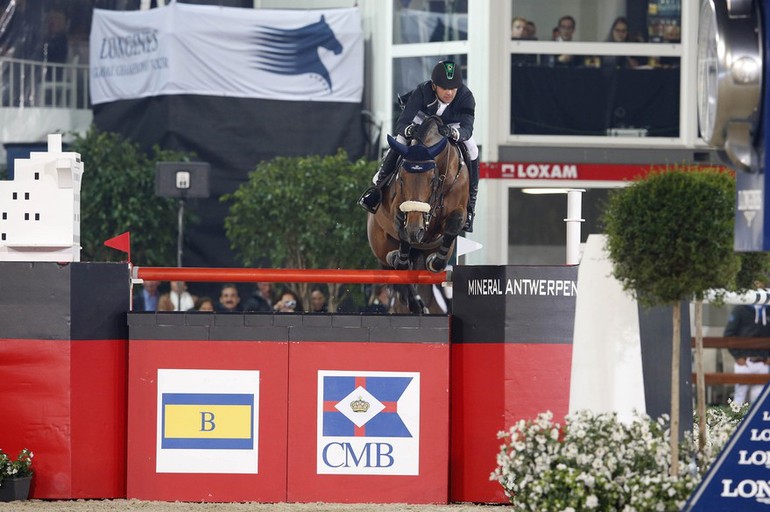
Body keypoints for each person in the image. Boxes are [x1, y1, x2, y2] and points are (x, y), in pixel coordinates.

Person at [358, 60, 479, 232]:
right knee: (400, 140)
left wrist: (455, 134)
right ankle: (377, 189)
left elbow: (467, 127)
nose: (449, 92)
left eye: (453, 88)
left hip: (452, 126)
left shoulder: (466, 96)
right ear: (434, 85)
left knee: (473, 150)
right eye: (444, 88)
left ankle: (471, 205)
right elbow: (402, 123)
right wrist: (409, 130)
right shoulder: (422, 91)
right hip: (422, 121)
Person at [725, 300, 770, 405]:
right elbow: (728, 335)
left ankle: (755, 421)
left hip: (763, 362)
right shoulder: (740, 309)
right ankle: (736, 420)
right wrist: (737, 356)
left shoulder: (767, 310)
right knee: (739, 397)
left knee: (759, 398)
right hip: (744, 361)